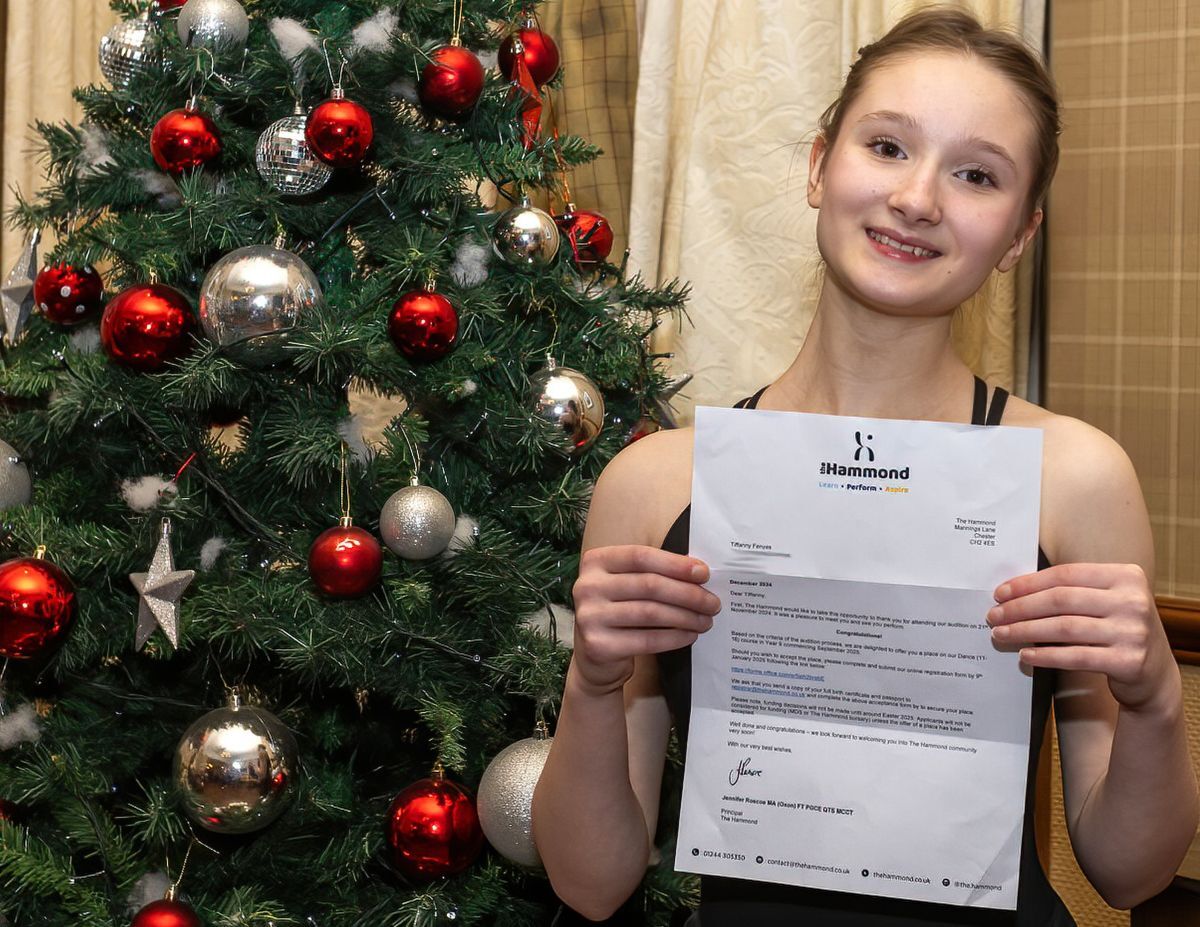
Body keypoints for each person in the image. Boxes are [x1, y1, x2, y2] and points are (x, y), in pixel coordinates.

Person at [531, 6, 1199, 926]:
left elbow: (1130, 873)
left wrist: (1158, 696)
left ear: (1017, 237)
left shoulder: (1077, 476)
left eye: (975, 174)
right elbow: (590, 882)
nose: (919, 198)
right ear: (818, 166)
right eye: (888, 146)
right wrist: (590, 683)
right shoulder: (652, 484)